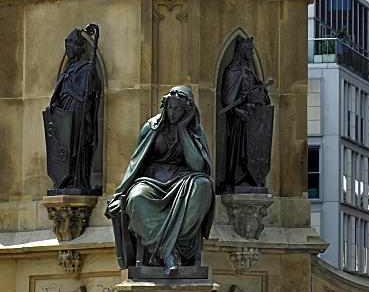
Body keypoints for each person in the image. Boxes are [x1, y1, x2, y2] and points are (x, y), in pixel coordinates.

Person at [106, 86, 214, 275]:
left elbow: (198, 166)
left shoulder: (194, 131)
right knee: (136, 197)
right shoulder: (152, 127)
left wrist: (182, 130)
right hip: (152, 180)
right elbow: (135, 163)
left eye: (178, 109)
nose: (172, 113)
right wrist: (119, 194)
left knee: (204, 185)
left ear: (187, 110)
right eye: (170, 107)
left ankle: (173, 248)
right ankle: (167, 252)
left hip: (183, 180)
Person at [44, 28, 101, 193]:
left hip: (78, 112)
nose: (67, 52)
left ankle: (79, 180)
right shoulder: (67, 70)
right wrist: (54, 107)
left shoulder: (86, 67)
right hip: (65, 115)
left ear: (77, 49)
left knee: (78, 145)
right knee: (64, 147)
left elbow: (90, 91)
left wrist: (90, 79)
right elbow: (59, 93)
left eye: (69, 48)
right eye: (66, 48)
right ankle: (64, 181)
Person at [220, 37, 271, 190]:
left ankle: (253, 177)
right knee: (239, 149)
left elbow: (263, 95)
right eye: (249, 50)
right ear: (242, 51)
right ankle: (238, 177)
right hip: (239, 120)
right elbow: (227, 99)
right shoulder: (231, 71)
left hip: (253, 119)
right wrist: (237, 111)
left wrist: (259, 96)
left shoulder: (250, 71)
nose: (251, 52)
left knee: (254, 151)